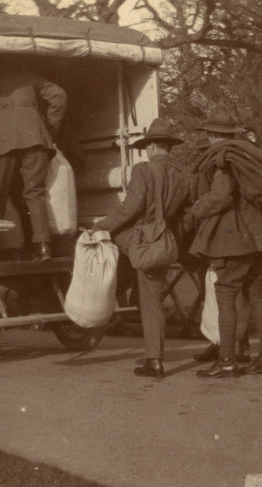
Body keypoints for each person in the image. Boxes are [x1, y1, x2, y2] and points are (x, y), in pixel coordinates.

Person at [186, 106, 262, 378]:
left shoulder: (223, 162)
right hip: (255, 238)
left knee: (226, 295)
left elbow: (221, 197)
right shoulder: (245, 158)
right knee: (256, 296)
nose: (207, 138)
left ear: (215, 134)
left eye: (208, 133)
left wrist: (194, 210)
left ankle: (227, 360)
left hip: (232, 242)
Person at [91, 119, 189, 378]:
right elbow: (183, 215)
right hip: (164, 243)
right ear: (169, 147)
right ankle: (153, 355)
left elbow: (130, 208)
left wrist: (100, 226)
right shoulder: (181, 177)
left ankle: (154, 361)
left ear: (154, 146)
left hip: (143, 242)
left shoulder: (143, 171)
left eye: (147, 146)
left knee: (113, 241)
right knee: (152, 299)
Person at [0, 64, 67, 262]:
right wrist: (49, 128)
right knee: (34, 192)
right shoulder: (30, 75)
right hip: (35, 137)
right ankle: (43, 249)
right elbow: (59, 95)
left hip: (3, 141)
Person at [186, 137, 252, 365]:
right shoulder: (203, 171)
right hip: (204, 237)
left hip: (221, 236)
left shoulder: (223, 169)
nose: (203, 154)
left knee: (232, 293)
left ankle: (237, 346)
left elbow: (216, 200)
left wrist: (194, 211)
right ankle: (219, 343)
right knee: (211, 291)